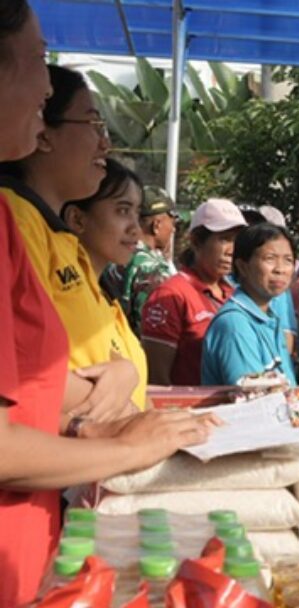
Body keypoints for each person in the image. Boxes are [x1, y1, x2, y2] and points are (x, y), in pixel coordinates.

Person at [0, 3, 217, 602]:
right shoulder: (14, 222)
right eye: (39, 62)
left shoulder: (29, 229)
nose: (46, 85)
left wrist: (98, 402)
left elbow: (30, 378)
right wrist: (124, 442)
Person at [0, 64, 144, 421]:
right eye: (94, 125)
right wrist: (119, 409)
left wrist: (126, 374)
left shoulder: (61, 240)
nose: (105, 143)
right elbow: (25, 376)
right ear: (43, 133)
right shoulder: (14, 220)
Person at [60, 158, 151, 409]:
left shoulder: (105, 297)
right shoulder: (61, 292)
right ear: (77, 219)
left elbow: (138, 396)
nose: (136, 228)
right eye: (122, 210)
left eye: (137, 213)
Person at [141, 198, 247, 385]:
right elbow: (157, 378)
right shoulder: (170, 295)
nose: (233, 250)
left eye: (238, 241)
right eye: (224, 239)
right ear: (197, 242)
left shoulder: (234, 294)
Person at [202, 223, 298, 386]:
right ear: (242, 267)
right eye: (270, 259)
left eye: (288, 260)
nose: (280, 269)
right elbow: (254, 399)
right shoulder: (235, 324)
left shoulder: (270, 318)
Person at [116, 185, 177, 336]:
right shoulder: (154, 268)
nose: (174, 230)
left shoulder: (115, 256)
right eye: (173, 223)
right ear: (157, 225)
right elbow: (154, 328)